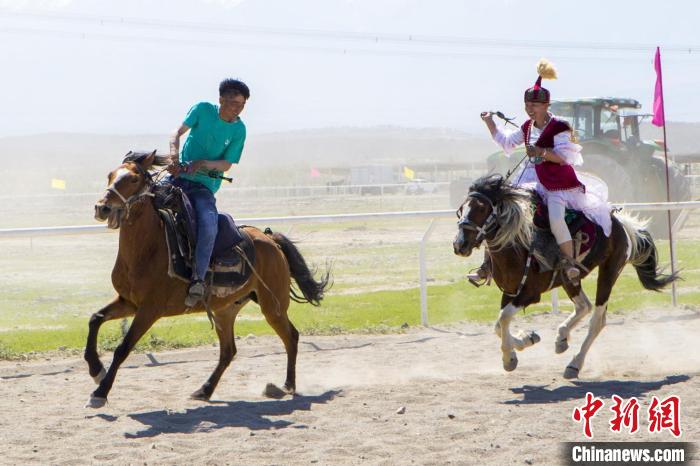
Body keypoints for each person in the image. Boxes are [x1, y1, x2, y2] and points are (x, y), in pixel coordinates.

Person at [468, 59, 612, 286]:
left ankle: (569, 263)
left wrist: (542, 152)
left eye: (533, 106)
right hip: (530, 181)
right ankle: (487, 266)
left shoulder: (560, 126)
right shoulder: (526, 126)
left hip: (557, 184)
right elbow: (506, 142)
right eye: (527, 106)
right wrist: (490, 123)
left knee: (555, 219)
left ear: (546, 106)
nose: (529, 109)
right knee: (502, 215)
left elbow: (565, 157)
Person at [166, 78, 249, 306]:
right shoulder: (202, 109)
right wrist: (174, 156)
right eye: (232, 104)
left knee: (208, 222)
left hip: (204, 187)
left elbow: (226, 165)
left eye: (241, 106)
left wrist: (202, 163)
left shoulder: (239, 129)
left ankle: (198, 279)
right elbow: (176, 132)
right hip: (177, 177)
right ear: (221, 100)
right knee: (145, 201)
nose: (236, 110)